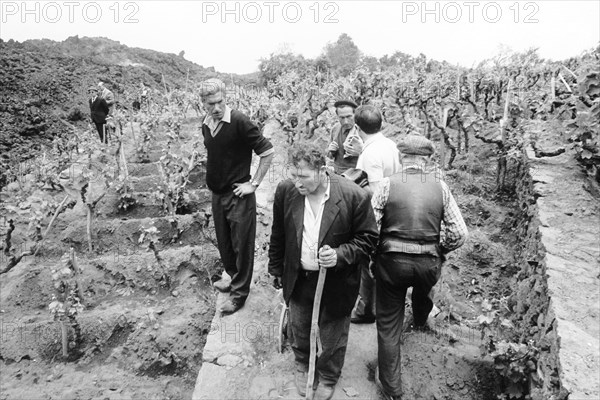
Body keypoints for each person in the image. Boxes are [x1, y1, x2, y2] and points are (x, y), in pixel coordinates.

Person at [268, 143, 378, 400]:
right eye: (294, 175)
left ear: (322, 171)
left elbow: (368, 239)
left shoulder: (353, 196)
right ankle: (303, 365)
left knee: (332, 333)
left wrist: (339, 255)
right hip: (299, 275)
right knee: (300, 325)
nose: (297, 183)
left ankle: (328, 375)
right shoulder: (286, 191)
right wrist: (275, 267)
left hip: (337, 282)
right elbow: (279, 233)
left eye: (304, 176)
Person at [372, 134, 468, 400]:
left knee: (389, 324)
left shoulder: (386, 185)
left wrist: (375, 255)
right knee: (424, 289)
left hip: (392, 264)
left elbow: (370, 230)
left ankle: (392, 390)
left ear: (402, 158)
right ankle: (422, 319)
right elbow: (460, 233)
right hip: (428, 261)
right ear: (427, 160)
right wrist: (439, 249)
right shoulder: (440, 187)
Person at [200, 78, 274, 315]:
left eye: (220, 102)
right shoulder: (206, 124)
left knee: (242, 245)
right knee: (225, 243)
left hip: (237, 195)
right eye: (211, 104)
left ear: (225, 98)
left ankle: (240, 293)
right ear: (203, 104)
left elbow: (267, 151)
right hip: (217, 194)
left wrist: (253, 184)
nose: (216, 108)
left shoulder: (239, 121)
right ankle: (233, 278)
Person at [350, 104, 400, 324]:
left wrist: (354, 185)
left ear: (357, 127)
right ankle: (379, 306)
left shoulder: (369, 154)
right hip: (395, 210)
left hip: (377, 215)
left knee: (367, 263)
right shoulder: (389, 144)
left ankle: (365, 310)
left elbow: (376, 192)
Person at [327, 100, 363, 174]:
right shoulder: (335, 129)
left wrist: (360, 152)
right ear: (337, 116)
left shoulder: (363, 130)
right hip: (338, 173)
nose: (346, 121)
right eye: (342, 118)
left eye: (349, 117)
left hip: (356, 173)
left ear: (355, 114)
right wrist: (331, 151)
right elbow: (329, 156)